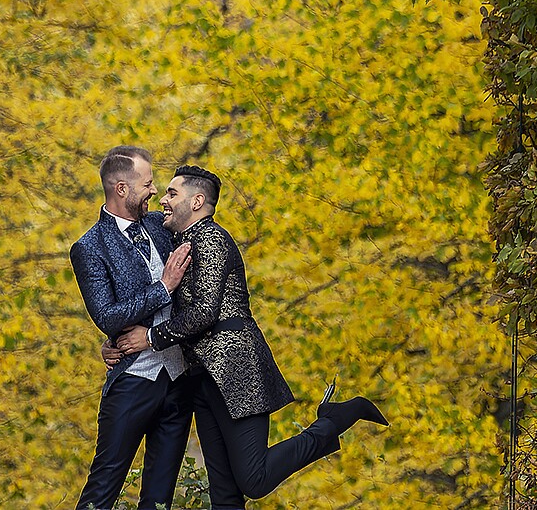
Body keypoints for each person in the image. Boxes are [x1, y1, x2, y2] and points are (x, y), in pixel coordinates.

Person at [107, 165, 387, 508]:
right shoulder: (181, 243)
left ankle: (332, 421)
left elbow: (205, 313)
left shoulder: (211, 239)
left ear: (197, 202)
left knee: (254, 479)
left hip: (237, 369)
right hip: (203, 377)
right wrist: (116, 340)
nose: (163, 200)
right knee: (224, 494)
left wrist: (149, 338)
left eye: (171, 193)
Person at [68, 146, 195, 510]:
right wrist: (163, 288)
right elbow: (107, 317)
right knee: (102, 490)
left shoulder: (160, 226)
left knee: (159, 500)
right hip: (131, 383)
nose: (154, 192)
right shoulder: (89, 248)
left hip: (178, 379)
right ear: (121, 189)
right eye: (148, 184)